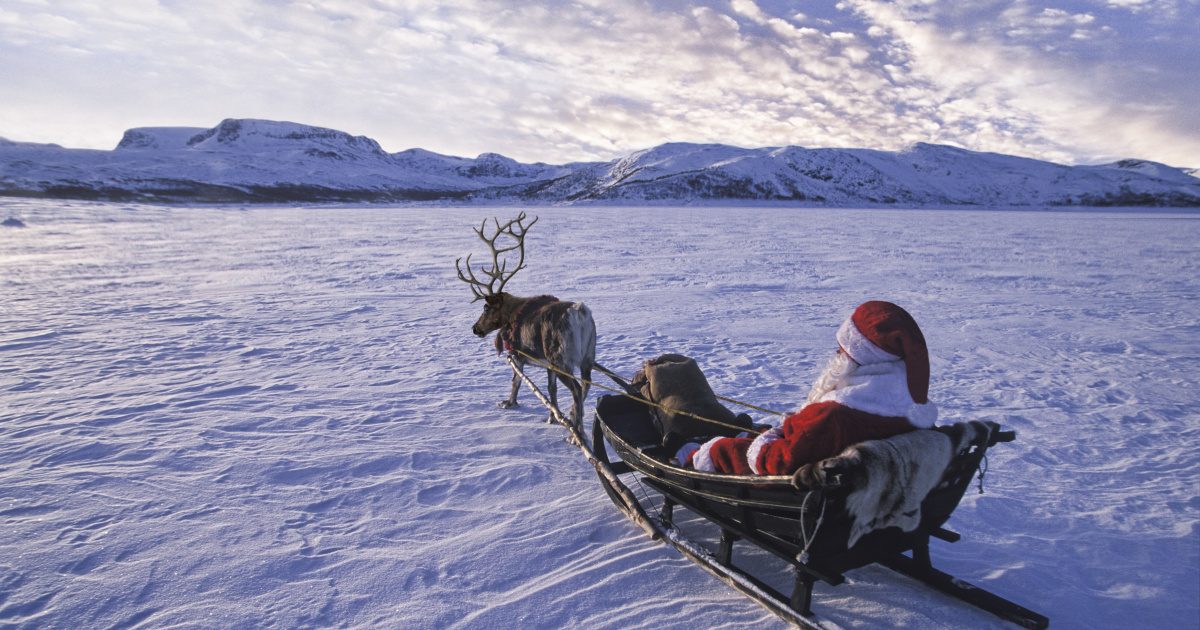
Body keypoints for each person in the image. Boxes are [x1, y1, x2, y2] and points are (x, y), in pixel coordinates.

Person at [676, 301, 938, 475]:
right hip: (842, 468)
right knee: (752, 432)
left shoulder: (837, 415)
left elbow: (780, 461)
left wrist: (766, 440)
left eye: (844, 347)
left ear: (864, 355)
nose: (838, 352)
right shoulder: (905, 408)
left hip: (799, 487)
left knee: (719, 447)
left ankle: (689, 459)